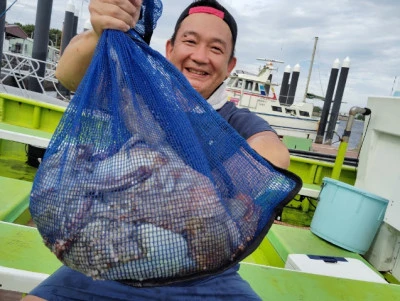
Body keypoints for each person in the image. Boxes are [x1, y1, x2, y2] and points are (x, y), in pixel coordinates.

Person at [23, 0, 290, 300]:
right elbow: (69, 75)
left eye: (216, 49)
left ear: (230, 67)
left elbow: (274, 154)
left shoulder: (234, 121)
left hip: (206, 276)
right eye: (190, 42)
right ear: (169, 49)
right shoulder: (135, 95)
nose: (200, 56)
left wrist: (194, 189)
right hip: (113, 260)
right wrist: (100, 30)